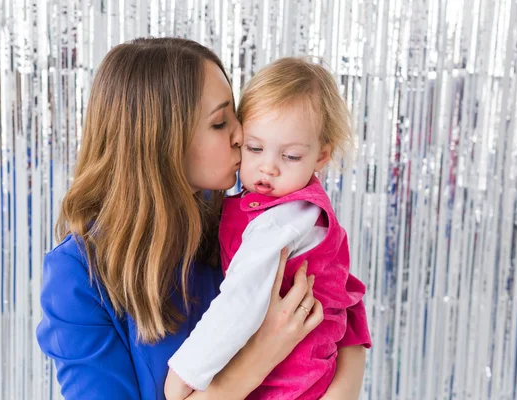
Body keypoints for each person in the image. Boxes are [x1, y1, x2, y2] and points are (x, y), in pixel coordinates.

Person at [36, 37, 367, 400]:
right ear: (164, 140)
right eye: (220, 122)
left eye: (236, 117)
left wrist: (342, 390)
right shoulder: (76, 276)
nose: (242, 135)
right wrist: (259, 355)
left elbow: (339, 293)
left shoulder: (241, 213)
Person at [165, 58, 371, 400]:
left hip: (289, 383)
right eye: (255, 148)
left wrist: (184, 373)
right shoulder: (272, 205)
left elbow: (241, 300)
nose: (268, 168)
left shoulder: (284, 218)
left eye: (290, 156)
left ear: (321, 156)